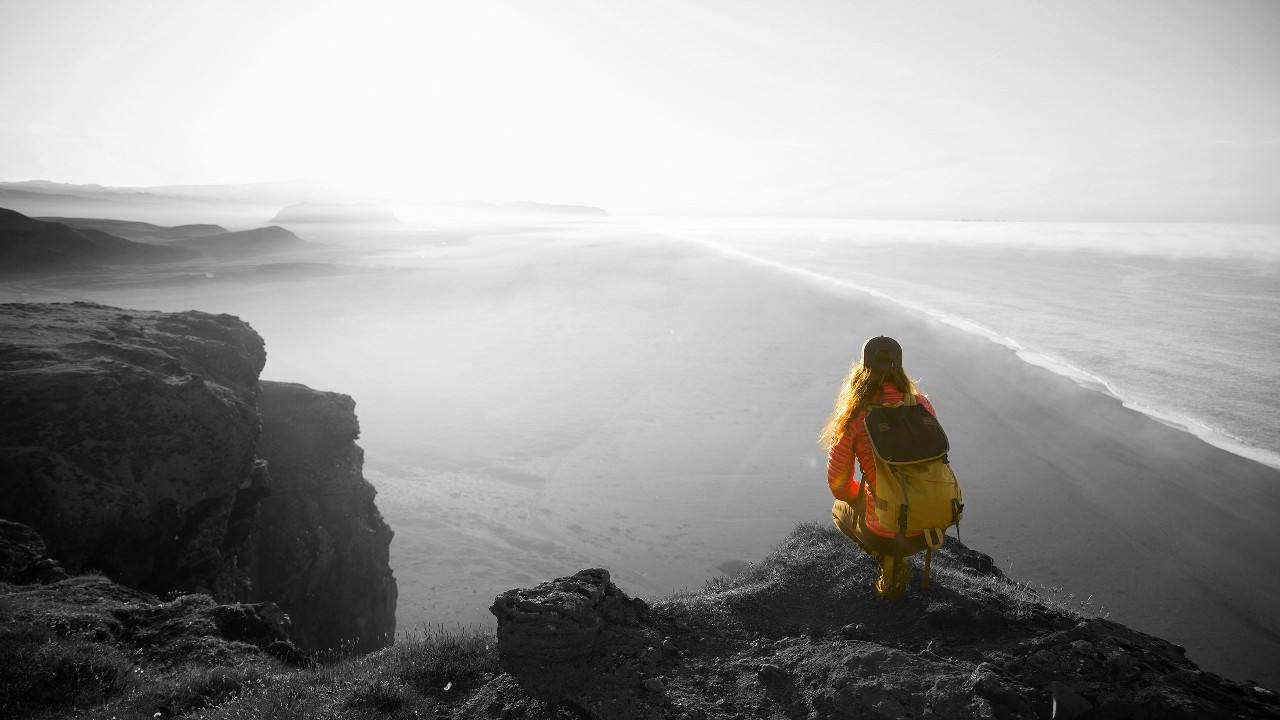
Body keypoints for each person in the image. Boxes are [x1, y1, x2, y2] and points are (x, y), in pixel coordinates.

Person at [820, 335, 938, 599]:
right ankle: (899, 553)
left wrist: (861, 495)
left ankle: (885, 556)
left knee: (839, 509)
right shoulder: (922, 406)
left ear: (863, 369)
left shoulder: (854, 414)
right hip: (932, 521)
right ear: (900, 366)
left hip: (886, 530)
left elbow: (838, 486)